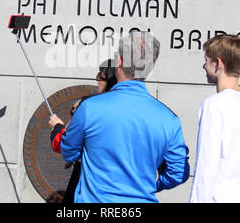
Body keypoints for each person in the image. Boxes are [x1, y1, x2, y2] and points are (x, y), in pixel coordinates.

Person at [50, 31, 190, 203]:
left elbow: (68, 151)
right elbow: (178, 172)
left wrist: (58, 129)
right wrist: (153, 186)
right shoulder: (169, 119)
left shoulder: (90, 108)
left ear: (120, 61)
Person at [189, 34, 240, 203]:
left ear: (219, 63)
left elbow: (206, 168)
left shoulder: (214, 105)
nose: (204, 65)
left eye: (207, 60)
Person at [49, 60, 117, 203]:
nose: (97, 79)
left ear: (110, 80)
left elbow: (62, 144)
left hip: (87, 181)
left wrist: (57, 127)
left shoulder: (88, 106)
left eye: (101, 75)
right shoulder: (139, 109)